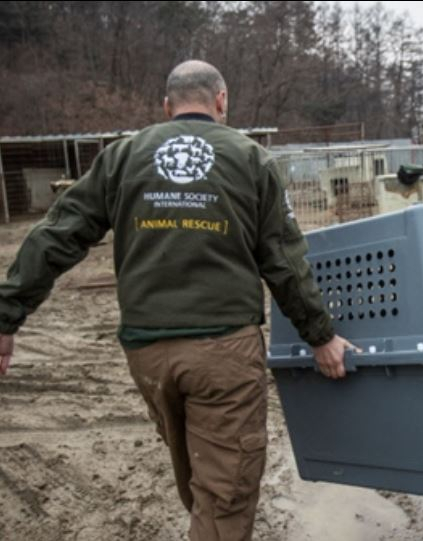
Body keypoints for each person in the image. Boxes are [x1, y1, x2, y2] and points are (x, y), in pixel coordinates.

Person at [0, 60, 354, 540]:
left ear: (167, 106)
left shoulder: (122, 157)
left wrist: (7, 315)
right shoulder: (250, 159)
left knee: (200, 472)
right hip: (223, 351)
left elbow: (58, 235)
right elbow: (284, 261)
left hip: (146, 353)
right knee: (225, 489)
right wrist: (321, 335)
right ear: (222, 100)